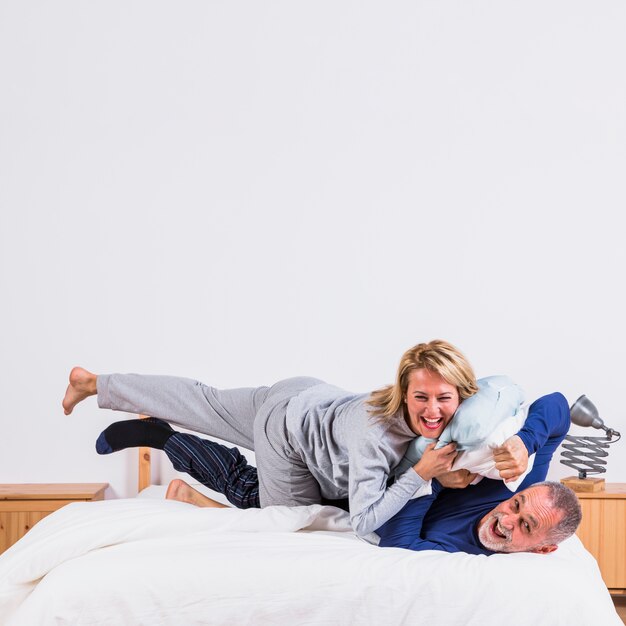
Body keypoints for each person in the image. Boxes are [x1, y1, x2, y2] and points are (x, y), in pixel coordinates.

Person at [62, 340, 526, 536]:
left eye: (444, 399)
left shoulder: (465, 414)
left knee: (203, 400)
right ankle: (163, 438)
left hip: (304, 391)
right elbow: (365, 523)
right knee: (274, 512)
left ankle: (95, 382)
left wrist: (515, 452)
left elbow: (517, 412)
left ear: (463, 394)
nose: (432, 411)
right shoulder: (376, 436)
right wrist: (422, 476)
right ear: (403, 391)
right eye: (420, 397)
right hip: (288, 434)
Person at [376, 392, 582, 555]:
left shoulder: (460, 556)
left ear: (543, 549)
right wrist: (525, 443)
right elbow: (558, 405)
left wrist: (436, 478)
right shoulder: (522, 483)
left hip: (357, 489)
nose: (506, 520)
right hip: (386, 439)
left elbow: (397, 544)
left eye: (526, 525)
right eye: (516, 504)